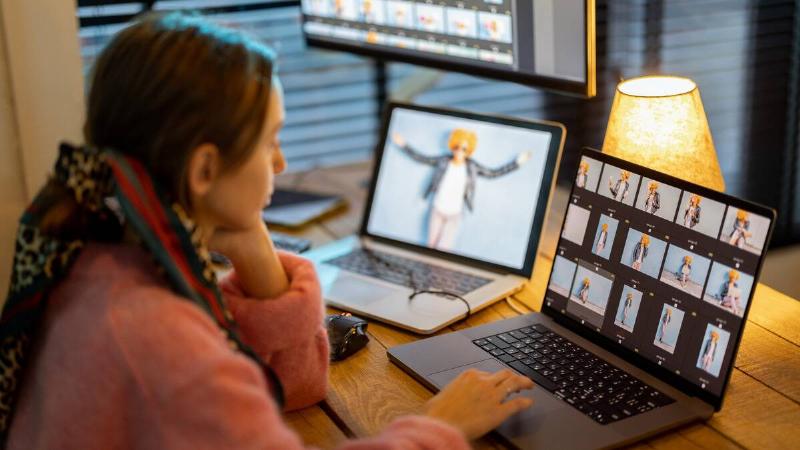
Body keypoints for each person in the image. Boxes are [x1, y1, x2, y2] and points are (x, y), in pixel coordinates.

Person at [0, 13, 535, 449]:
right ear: (204, 171)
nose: (280, 164)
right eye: (269, 140)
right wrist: (439, 427)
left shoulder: (98, 256)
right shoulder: (162, 341)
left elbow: (291, 387)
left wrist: (252, 241)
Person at [392, 129, 531, 250]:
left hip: (455, 214)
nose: (459, 151)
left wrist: (517, 163)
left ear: (469, 151)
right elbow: (422, 158)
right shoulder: (443, 161)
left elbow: (493, 173)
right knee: (430, 246)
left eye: (464, 149)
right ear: (452, 146)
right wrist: (403, 144)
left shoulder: (472, 167)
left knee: (443, 249)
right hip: (437, 210)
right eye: (457, 147)